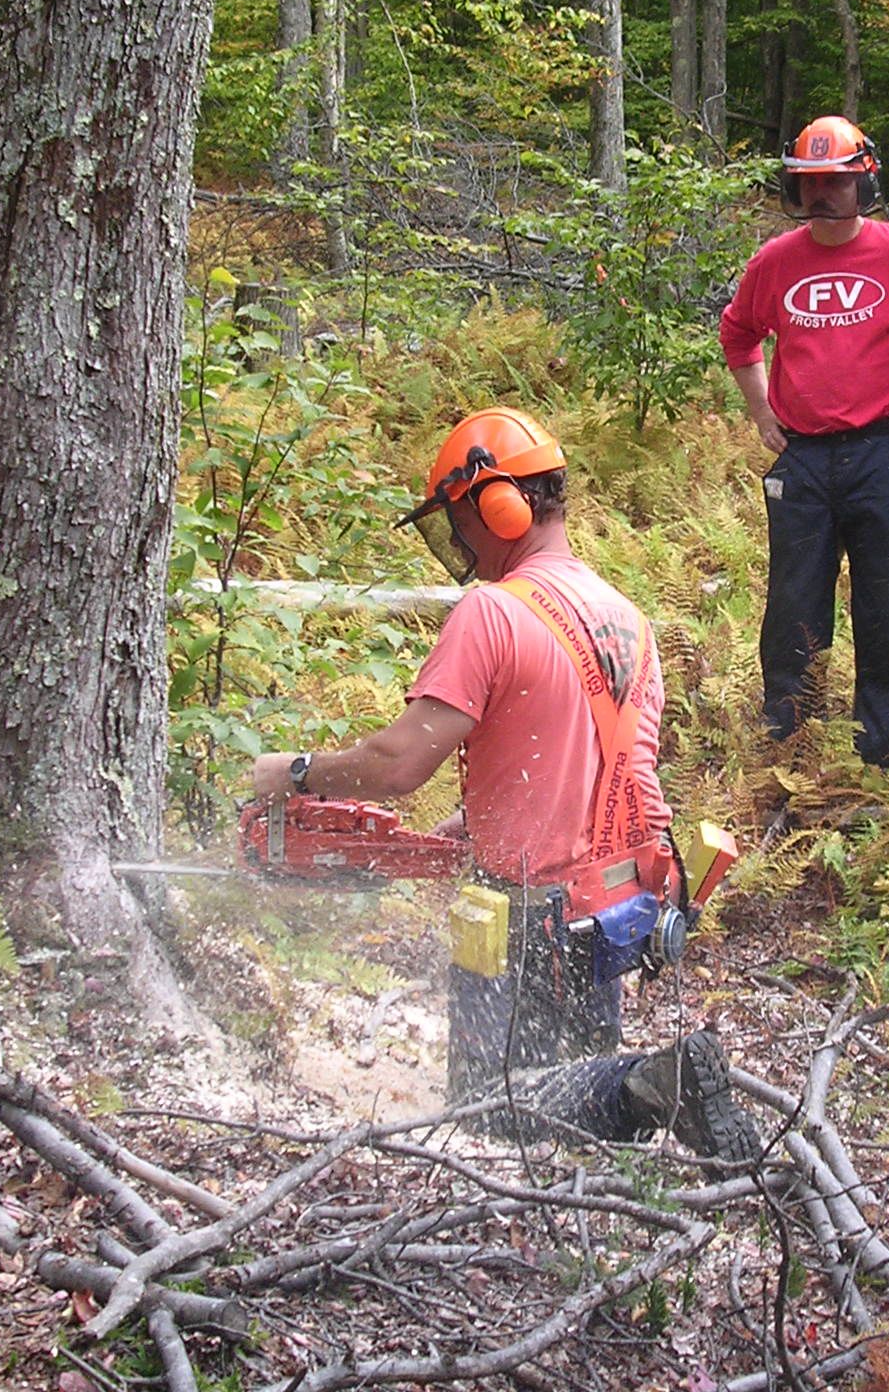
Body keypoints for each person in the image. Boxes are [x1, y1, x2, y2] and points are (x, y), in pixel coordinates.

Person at [249, 407, 760, 1164]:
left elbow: (398, 762)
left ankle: (649, 1085)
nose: (457, 544)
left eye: (456, 523)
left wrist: (295, 772)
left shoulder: (492, 611)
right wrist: (483, 813)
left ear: (497, 506)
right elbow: (615, 764)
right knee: (564, 1102)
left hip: (526, 915)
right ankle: (634, 1085)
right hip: (614, 907)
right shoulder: (626, 618)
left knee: (491, 1107)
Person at [720, 114, 889, 766]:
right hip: (806, 457)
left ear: (863, 182)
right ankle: (787, 740)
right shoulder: (775, 261)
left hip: (885, 450)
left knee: (885, 603)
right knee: (793, 602)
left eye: (837, 182)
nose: (823, 195)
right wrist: (762, 412)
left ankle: (883, 753)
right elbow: (738, 336)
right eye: (811, 182)